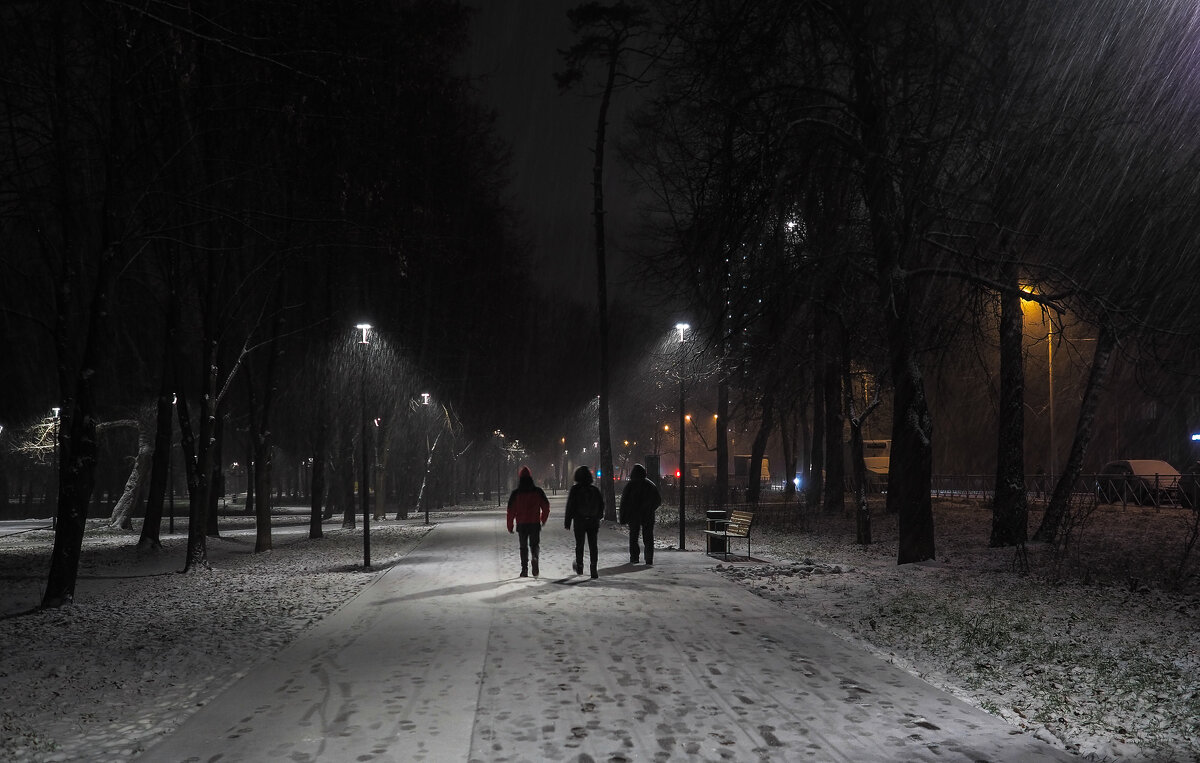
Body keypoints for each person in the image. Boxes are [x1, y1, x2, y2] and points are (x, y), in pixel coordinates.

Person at [506, 465, 550, 577]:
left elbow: (511, 510)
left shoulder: (516, 493)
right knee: (534, 545)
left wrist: (510, 525)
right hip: (534, 523)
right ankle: (535, 557)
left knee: (523, 547)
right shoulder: (538, 491)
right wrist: (543, 519)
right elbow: (545, 506)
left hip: (522, 524)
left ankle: (524, 569)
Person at [564, 465, 604, 578]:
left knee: (579, 545)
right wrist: (598, 517)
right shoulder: (595, 490)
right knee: (593, 545)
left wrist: (568, 521)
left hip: (579, 521)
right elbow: (601, 505)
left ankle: (580, 566)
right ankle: (593, 567)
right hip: (593, 521)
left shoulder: (575, 490)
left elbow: (570, 506)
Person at [618, 463, 661, 565]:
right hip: (648, 515)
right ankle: (649, 558)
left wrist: (623, 516)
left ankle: (634, 557)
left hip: (633, 515)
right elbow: (658, 500)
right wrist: (650, 509)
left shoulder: (630, 486)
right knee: (648, 537)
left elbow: (624, 502)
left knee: (633, 537)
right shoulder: (650, 485)